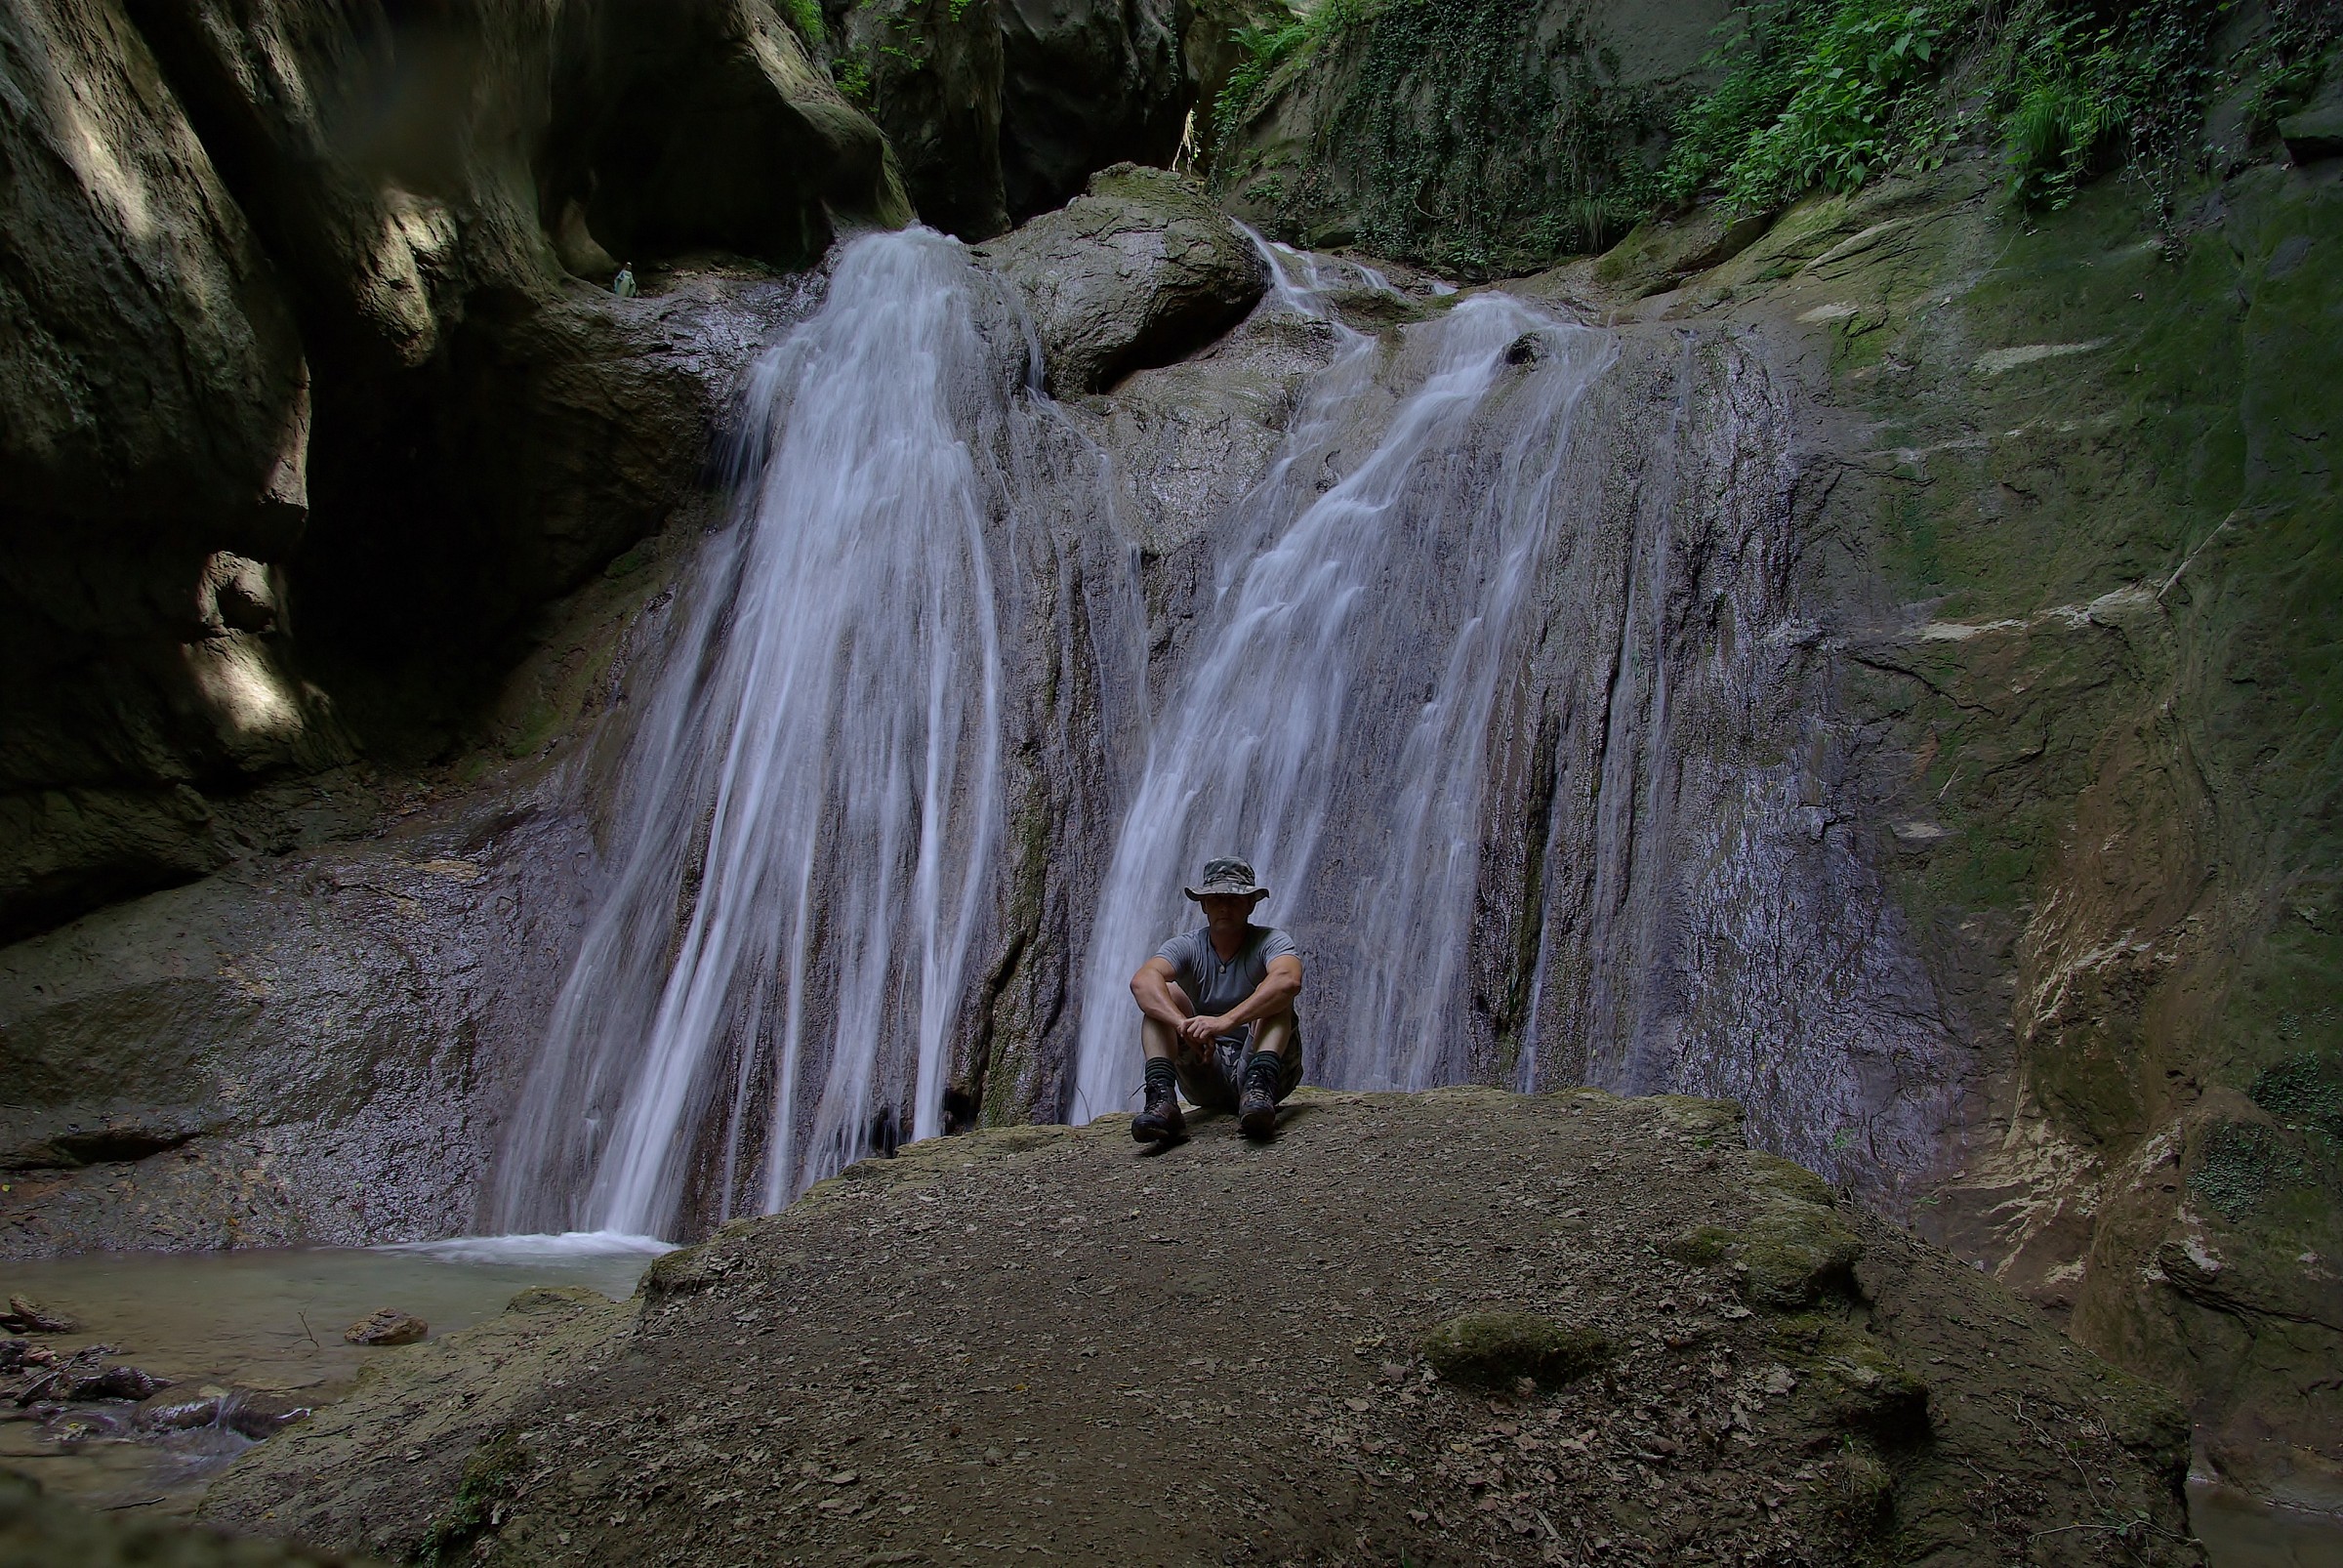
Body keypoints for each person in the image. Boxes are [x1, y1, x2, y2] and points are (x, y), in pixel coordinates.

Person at [1129, 856, 1303, 1143]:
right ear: (1203, 904)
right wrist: (1184, 1025)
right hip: (1204, 1068)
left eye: (1234, 899)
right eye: (1216, 898)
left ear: (1251, 904)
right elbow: (1142, 982)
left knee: (1275, 994)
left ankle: (1259, 1091)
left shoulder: (1272, 941)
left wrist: (1225, 1022)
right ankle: (1161, 1099)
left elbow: (1288, 980)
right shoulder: (1185, 946)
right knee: (1162, 998)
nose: (1224, 906)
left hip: (1267, 1074)